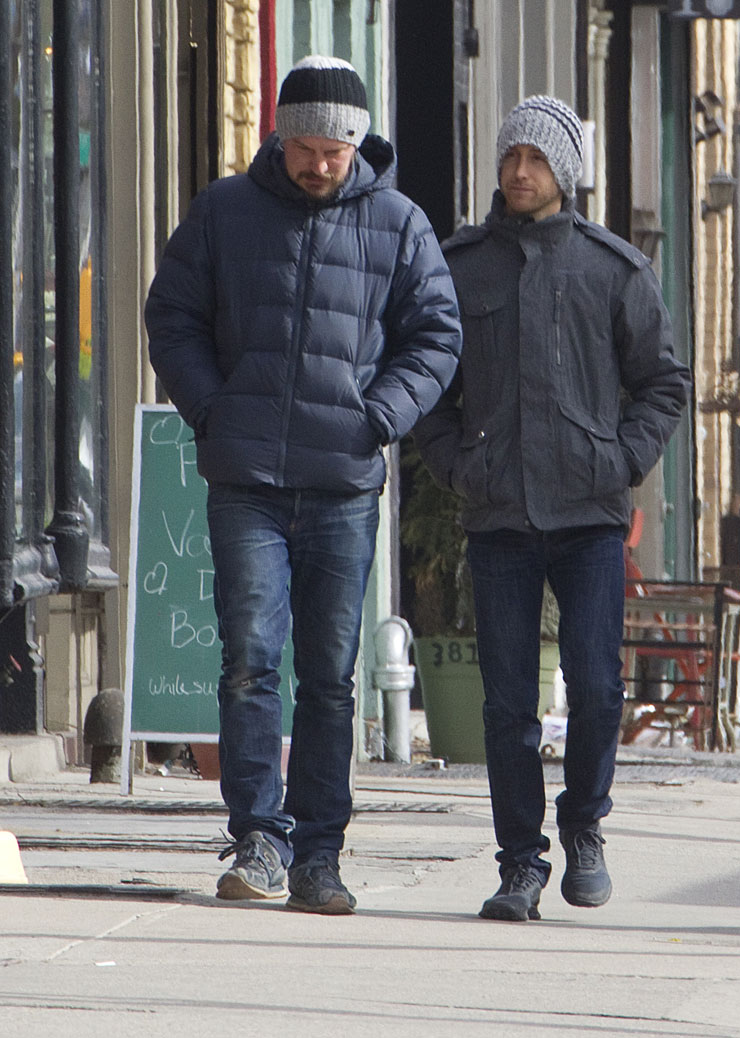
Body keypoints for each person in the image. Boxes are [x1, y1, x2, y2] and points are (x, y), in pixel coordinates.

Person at [144, 56, 462, 913]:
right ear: (280, 135)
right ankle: (259, 838)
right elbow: (169, 316)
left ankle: (320, 853)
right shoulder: (222, 212)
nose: (322, 163)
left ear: (358, 144)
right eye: (309, 146)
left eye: (338, 149)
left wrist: (381, 414)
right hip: (244, 474)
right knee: (250, 662)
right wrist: (212, 407)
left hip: (344, 480)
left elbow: (436, 336)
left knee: (329, 674)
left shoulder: (399, 223)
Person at [413, 95, 690, 922]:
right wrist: (457, 464)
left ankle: (585, 826)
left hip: (589, 515)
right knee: (506, 702)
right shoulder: (460, 266)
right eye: (510, 158)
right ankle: (518, 864)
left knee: (599, 688)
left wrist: (623, 457)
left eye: (535, 159)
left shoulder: (613, 269)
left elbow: (663, 382)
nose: (520, 171)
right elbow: (429, 381)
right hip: (498, 514)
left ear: (563, 172)